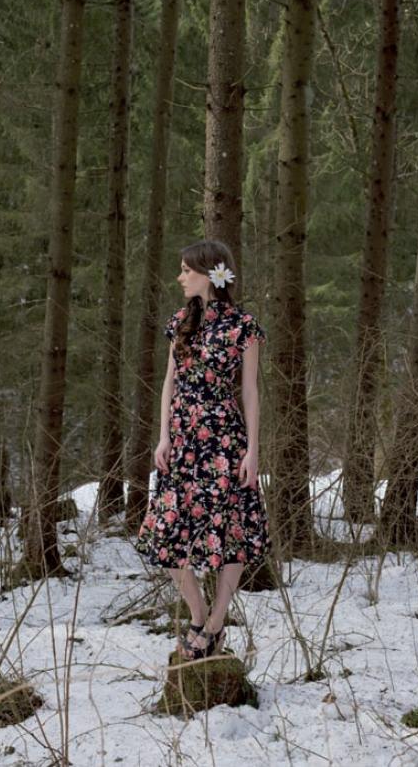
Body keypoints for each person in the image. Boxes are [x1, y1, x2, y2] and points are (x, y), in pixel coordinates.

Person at [135, 239, 272, 660]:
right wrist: (163, 437)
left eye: (186, 270)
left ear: (210, 274)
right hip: (182, 444)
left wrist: (251, 451)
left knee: (234, 534)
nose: (180, 277)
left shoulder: (243, 327)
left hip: (225, 443)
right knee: (164, 534)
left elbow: (249, 392)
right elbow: (168, 384)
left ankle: (215, 624)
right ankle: (197, 615)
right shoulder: (180, 323)